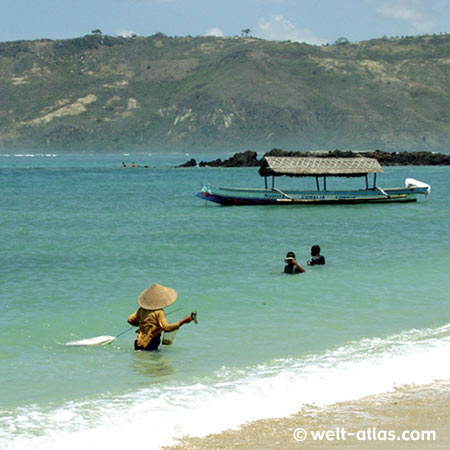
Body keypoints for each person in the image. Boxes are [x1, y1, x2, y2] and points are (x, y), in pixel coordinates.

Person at [127, 283, 195, 351]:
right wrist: (183, 321)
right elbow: (166, 328)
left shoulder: (142, 309)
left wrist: (143, 327)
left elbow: (130, 320)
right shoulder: (159, 312)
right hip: (151, 343)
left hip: (138, 342)